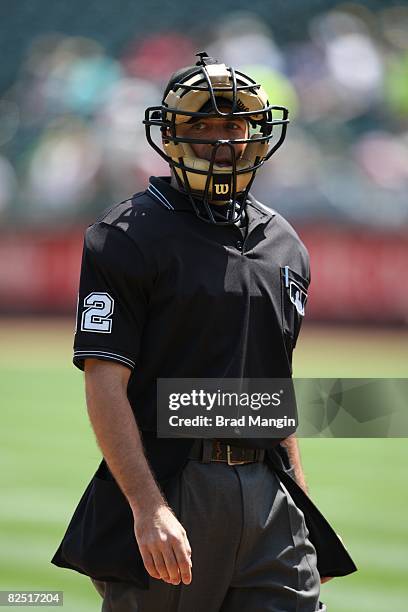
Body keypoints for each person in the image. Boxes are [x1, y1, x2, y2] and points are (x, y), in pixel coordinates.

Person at [52, 52, 356, 611]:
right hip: (173, 483)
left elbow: (269, 393)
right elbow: (104, 383)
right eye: (203, 126)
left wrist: (303, 507)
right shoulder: (126, 236)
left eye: (234, 126)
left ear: (258, 135)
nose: (221, 141)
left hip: (270, 494)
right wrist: (148, 508)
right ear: (170, 138)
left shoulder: (285, 242)